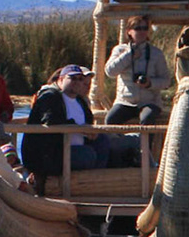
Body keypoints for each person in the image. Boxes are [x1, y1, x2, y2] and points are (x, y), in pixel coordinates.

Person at [21, 65, 125, 194]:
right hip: (52, 152)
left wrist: (91, 133)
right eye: (73, 78)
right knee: (87, 155)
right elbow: (51, 121)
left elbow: (87, 123)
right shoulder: (50, 96)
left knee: (103, 143)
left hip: (76, 146)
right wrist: (79, 129)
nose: (77, 82)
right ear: (61, 79)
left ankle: (92, 185)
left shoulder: (80, 101)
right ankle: (70, 186)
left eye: (80, 79)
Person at [104, 16, 170, 125]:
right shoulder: (120, 50)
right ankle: (118, 142)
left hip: (149, 102)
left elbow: (166, 81)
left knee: (147, 119)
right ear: (129, 31)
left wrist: (150, 83)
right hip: (125, 101)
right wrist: (129, 55)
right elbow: (110, 72)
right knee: (111, 119)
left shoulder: (156, 53)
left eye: (145, 28)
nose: (142, 32)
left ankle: (146, 143)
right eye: (138, 28)